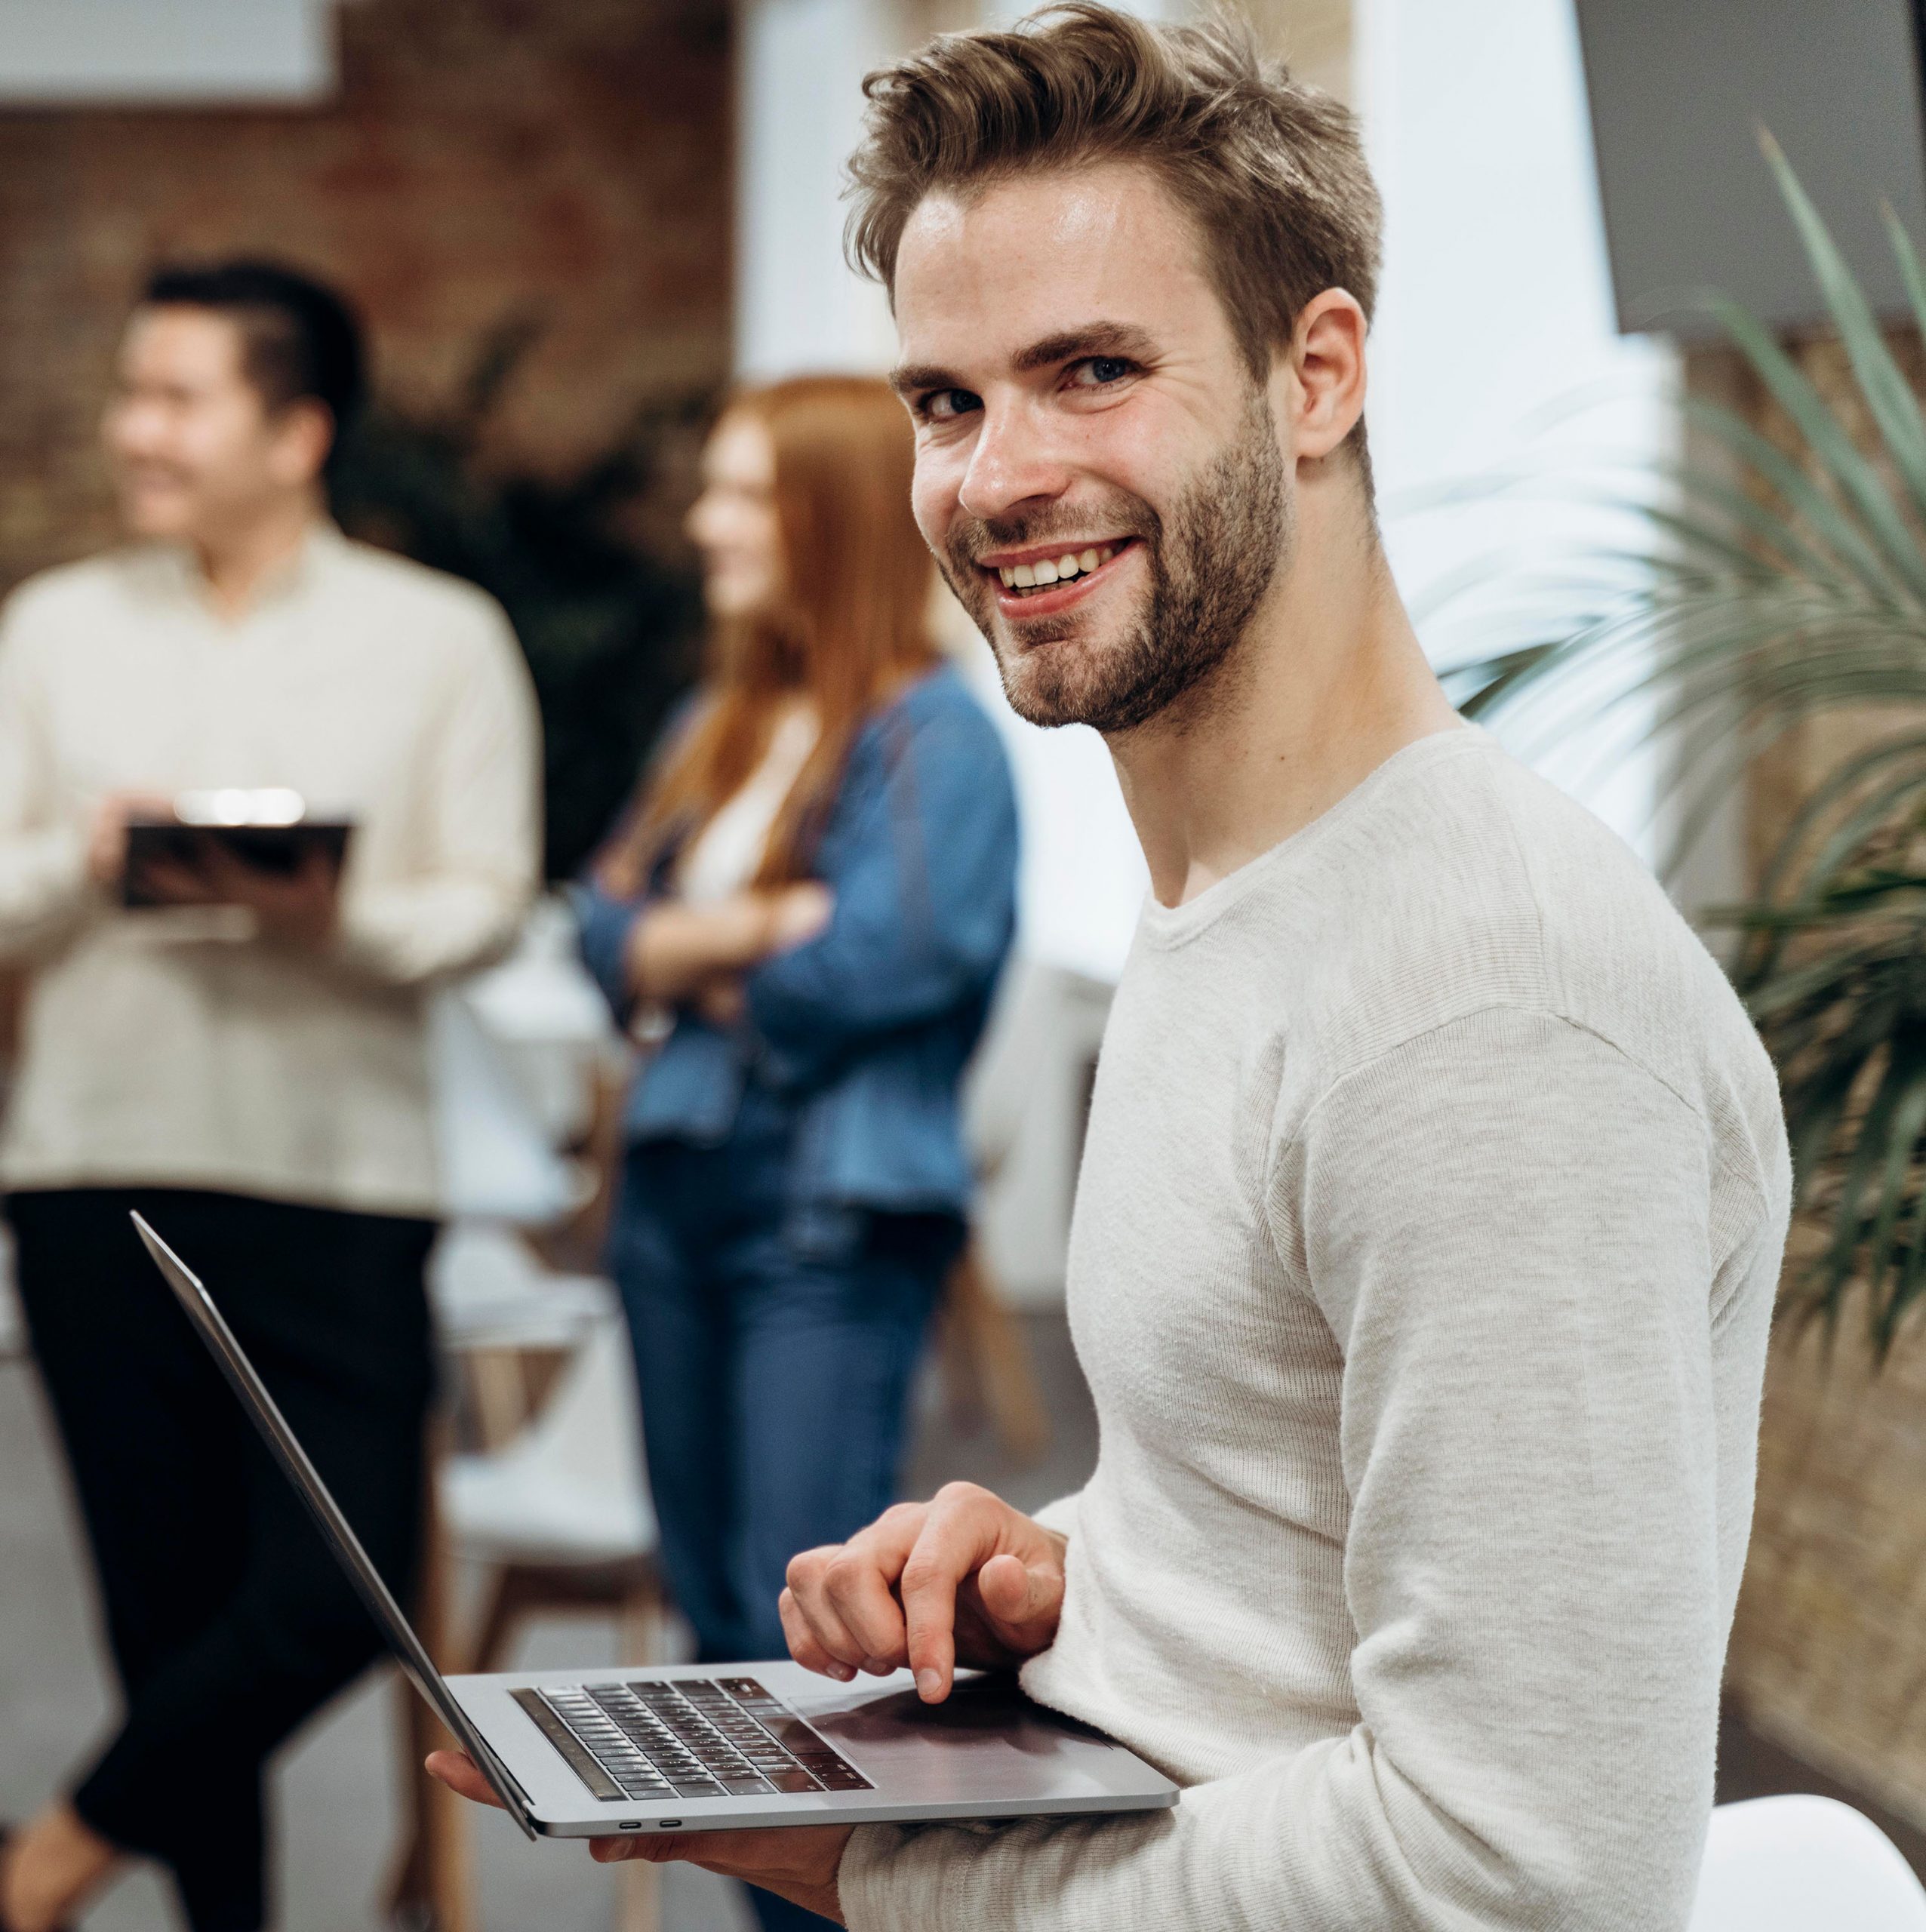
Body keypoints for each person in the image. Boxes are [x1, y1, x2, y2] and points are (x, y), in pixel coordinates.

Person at [433, 7, 1792, 1927]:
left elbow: (1527, 1871)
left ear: (1314, 372)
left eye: (1090, 371)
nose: (996, 480)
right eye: (947, 401)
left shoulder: (1482, 1005)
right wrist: (1065, 1580)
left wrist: (891, 1874)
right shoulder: (1243, 893)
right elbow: (1294, 1551)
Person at [0, 260, 541, 1932]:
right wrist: (93, 860)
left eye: (176, 397)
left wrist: (333, 909)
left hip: (343, 1179)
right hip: (97, 1166)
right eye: (131, 393)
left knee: (334, 1587)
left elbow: (491, 897)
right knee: (162, 1619)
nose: (131, 430)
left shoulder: (438, 635)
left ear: (296, 429)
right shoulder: (52, 628)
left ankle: (41, 1866)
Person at [570, 374, 1017, 1930]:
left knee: (797, 1648)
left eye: (743, 495)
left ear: (826, 516)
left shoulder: (938, 737)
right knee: (709, 1620)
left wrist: (690, 958)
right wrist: (761, 920)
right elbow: (596, 930)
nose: (706, 524)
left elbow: (889, 965)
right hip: (678, 1197)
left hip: (826, 1218)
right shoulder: (719, 722)